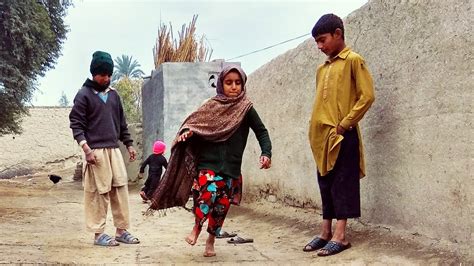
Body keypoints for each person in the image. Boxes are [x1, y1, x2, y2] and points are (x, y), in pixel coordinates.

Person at [148, 65, 272, 257]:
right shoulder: (211, 106)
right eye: (229, 82)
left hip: (231, 168)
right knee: (207, 194)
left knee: (221, 207)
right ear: (221, 84)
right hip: (208, 165)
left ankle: (211, 241)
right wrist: (186, 134)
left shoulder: (246, 109)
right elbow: (196, 125)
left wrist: (266, 152)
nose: (234, 87)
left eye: (238, 83)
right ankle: (197, 228)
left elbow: (261, 131)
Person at [305, 14, 375, 256]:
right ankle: (325, 232)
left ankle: (341, 235)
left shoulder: (354, 61)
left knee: (343, 183)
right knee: (325, 182)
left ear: (338, 33)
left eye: (322, 40)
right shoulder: (321, 69)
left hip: (343, 134)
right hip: (322, 137)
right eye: (317, 42)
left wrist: (344, 125)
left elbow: (367, 97)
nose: (320, 46)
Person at [69, 51, 140, 247]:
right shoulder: (83, 95)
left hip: (114, 151)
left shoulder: (114, 95)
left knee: (119, 190)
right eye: (102, 75)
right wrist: (86, 149)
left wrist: (129, 144)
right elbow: (76, 124)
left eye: (109, 74)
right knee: (98, 193)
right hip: (95, 152)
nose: (106, 78)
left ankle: (121, 230)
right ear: (94, 73)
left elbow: (122, 124)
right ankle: (98, 234)